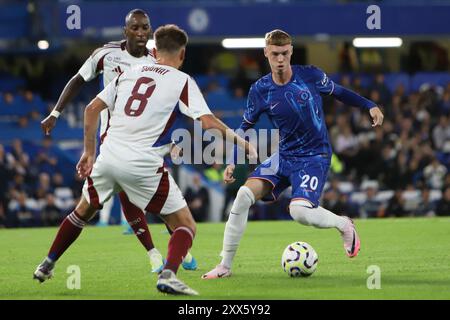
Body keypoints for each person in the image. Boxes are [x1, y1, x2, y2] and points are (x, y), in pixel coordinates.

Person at [33, 24, 256, 295]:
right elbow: (207, 122)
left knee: (82, 211)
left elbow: (92, 109)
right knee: (186, 225)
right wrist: (242, 142)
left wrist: (89, 152)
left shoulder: (130, 72)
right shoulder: (181, 80)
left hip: (108, 155)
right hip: (141, 162)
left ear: (154, 49)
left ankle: (47, 263)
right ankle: (168, 275)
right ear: (182, 54)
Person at [202, 29, 384, 279]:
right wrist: (233, 160)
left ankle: (343, 224)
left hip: (314, 157)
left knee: (298, 212)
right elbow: (243, 129)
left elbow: (340, 92)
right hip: (284, 155)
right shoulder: (260, 89)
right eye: (275, 54)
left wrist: (369, 105)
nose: (280, 59)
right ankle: (225, 265)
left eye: (285, 53)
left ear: (291, 51)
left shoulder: (310, 75)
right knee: (243, 195)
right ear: (266, 53)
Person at [39, 9, 196, 273]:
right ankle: (160, 254)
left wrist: (176, 138)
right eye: (134, 28)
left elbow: (173, 101)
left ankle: (171, 251)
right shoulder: (106, 54)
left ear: (150, 31)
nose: (140, 33)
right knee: (128, 195)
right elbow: (78, 80)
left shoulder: (155, 60)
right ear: (125, 31)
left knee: (150, 199)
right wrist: (56, 112)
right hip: (113, 137)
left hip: (146, 137)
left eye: (144, 28)